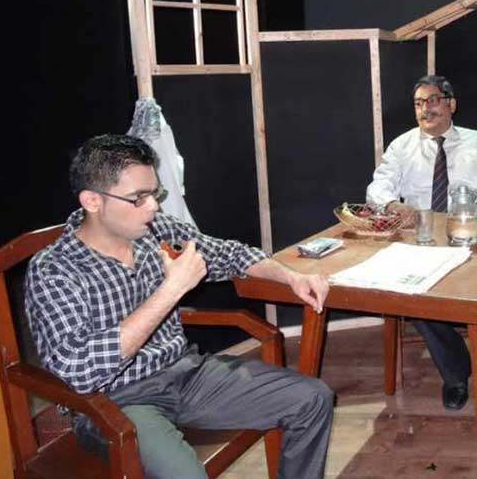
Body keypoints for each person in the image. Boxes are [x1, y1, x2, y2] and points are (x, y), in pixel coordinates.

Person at [25, 134, 334, 479]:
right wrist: (171, 291)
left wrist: (290, 276)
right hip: (114, 401)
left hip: (184, 373)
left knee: (312, 399)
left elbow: (229, 253)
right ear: (92, 201)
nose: (154, 207)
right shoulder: (54, 269)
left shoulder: (154, 230)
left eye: (154, 194)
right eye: (138, 198)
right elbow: (78, 371)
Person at [366, 75, 477, 410]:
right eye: (418, 103)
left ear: (451, 104)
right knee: (412, 298)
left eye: (432, 100)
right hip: (426, 242)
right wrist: (391, 204)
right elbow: (377, 188)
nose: (425, 110)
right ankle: (456, 374)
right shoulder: (402, 146)